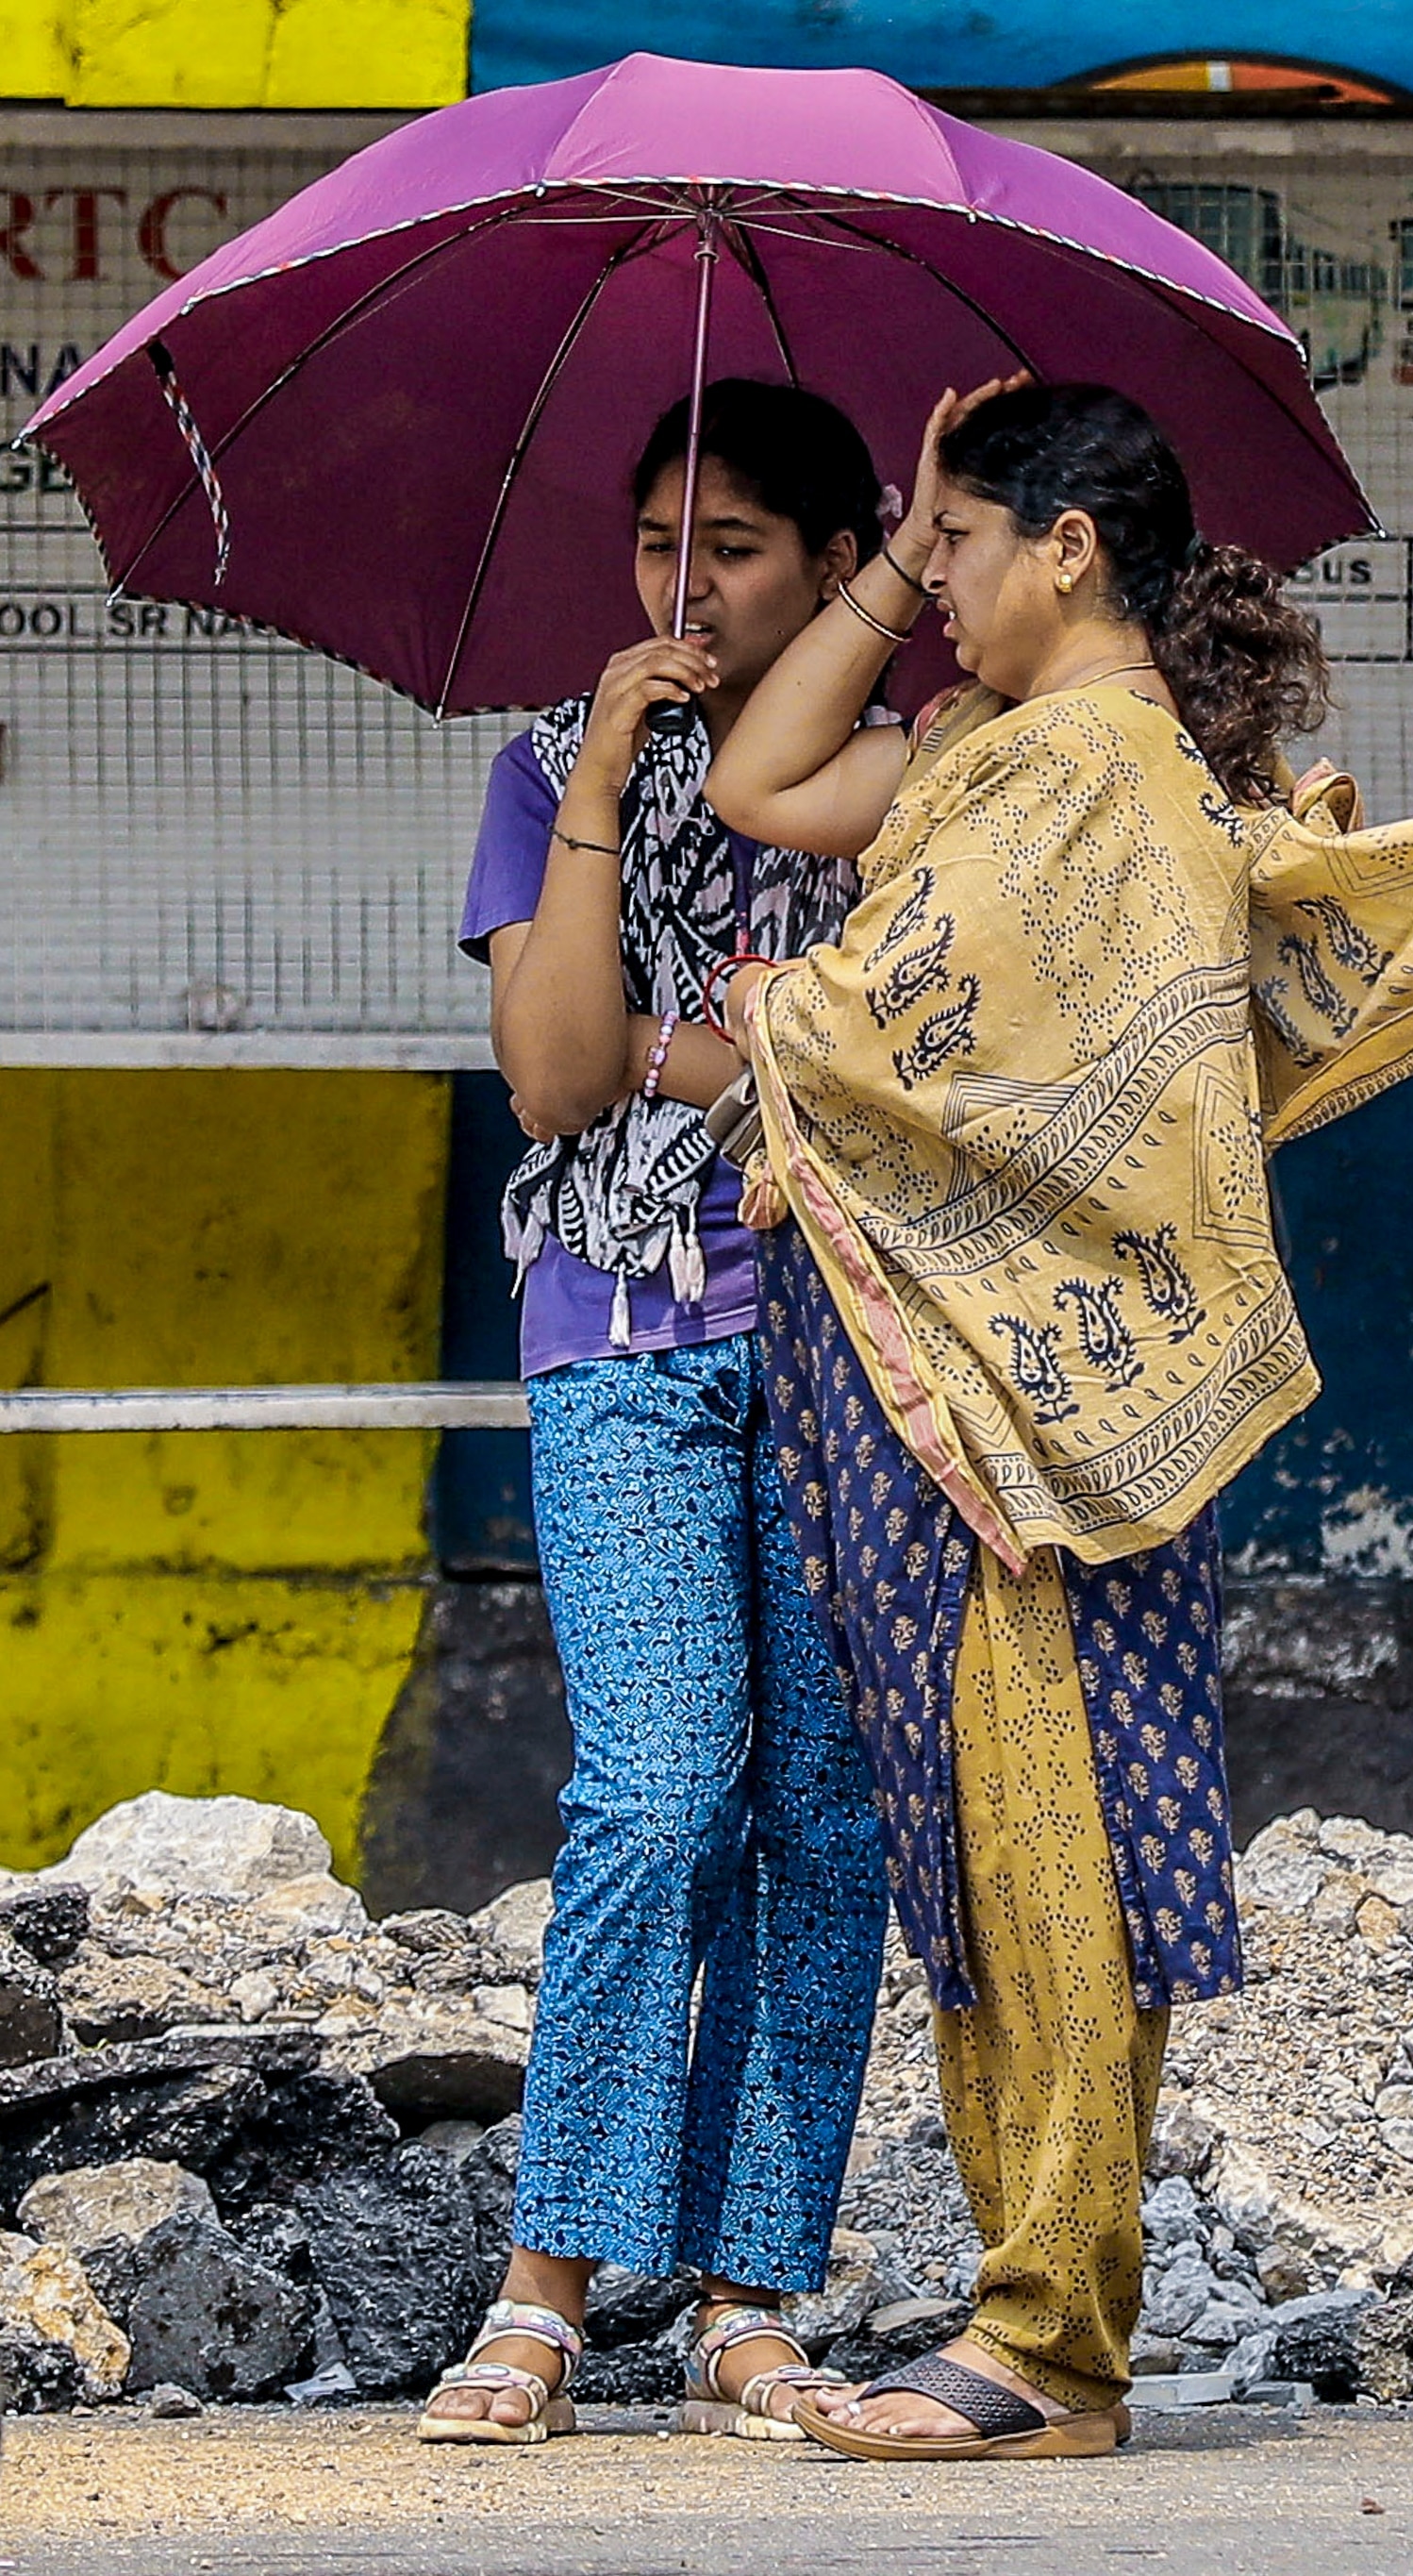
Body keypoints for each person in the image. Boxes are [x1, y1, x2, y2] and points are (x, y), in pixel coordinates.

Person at [700, 377, 1413, 2463]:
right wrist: (918, 526)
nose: (934, 592)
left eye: (959, 546)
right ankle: (1031, 2324)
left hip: (1028, 1411)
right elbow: (780, 791)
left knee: (1058, 1852)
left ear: (1067, 547)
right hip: (970, 1392)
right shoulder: (1028, 763)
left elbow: (927, 1025)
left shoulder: (1101, 779)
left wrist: (778, 1016)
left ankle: (1044, 2348)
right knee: (991, 1851)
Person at [419, 382, 898, 2447]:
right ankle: (546, 2286)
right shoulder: (547, 768)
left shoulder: (913, 786)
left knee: (828, 1822)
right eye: (653, 549)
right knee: (659, 1794)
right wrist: (613, 776)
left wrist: (697, 1059)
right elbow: (553, 1082)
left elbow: (895, 1072)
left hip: (858, 1350)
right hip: (618, 1336)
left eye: (733, 549)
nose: (681, 588)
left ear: (838, 565)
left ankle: (747, 2294)